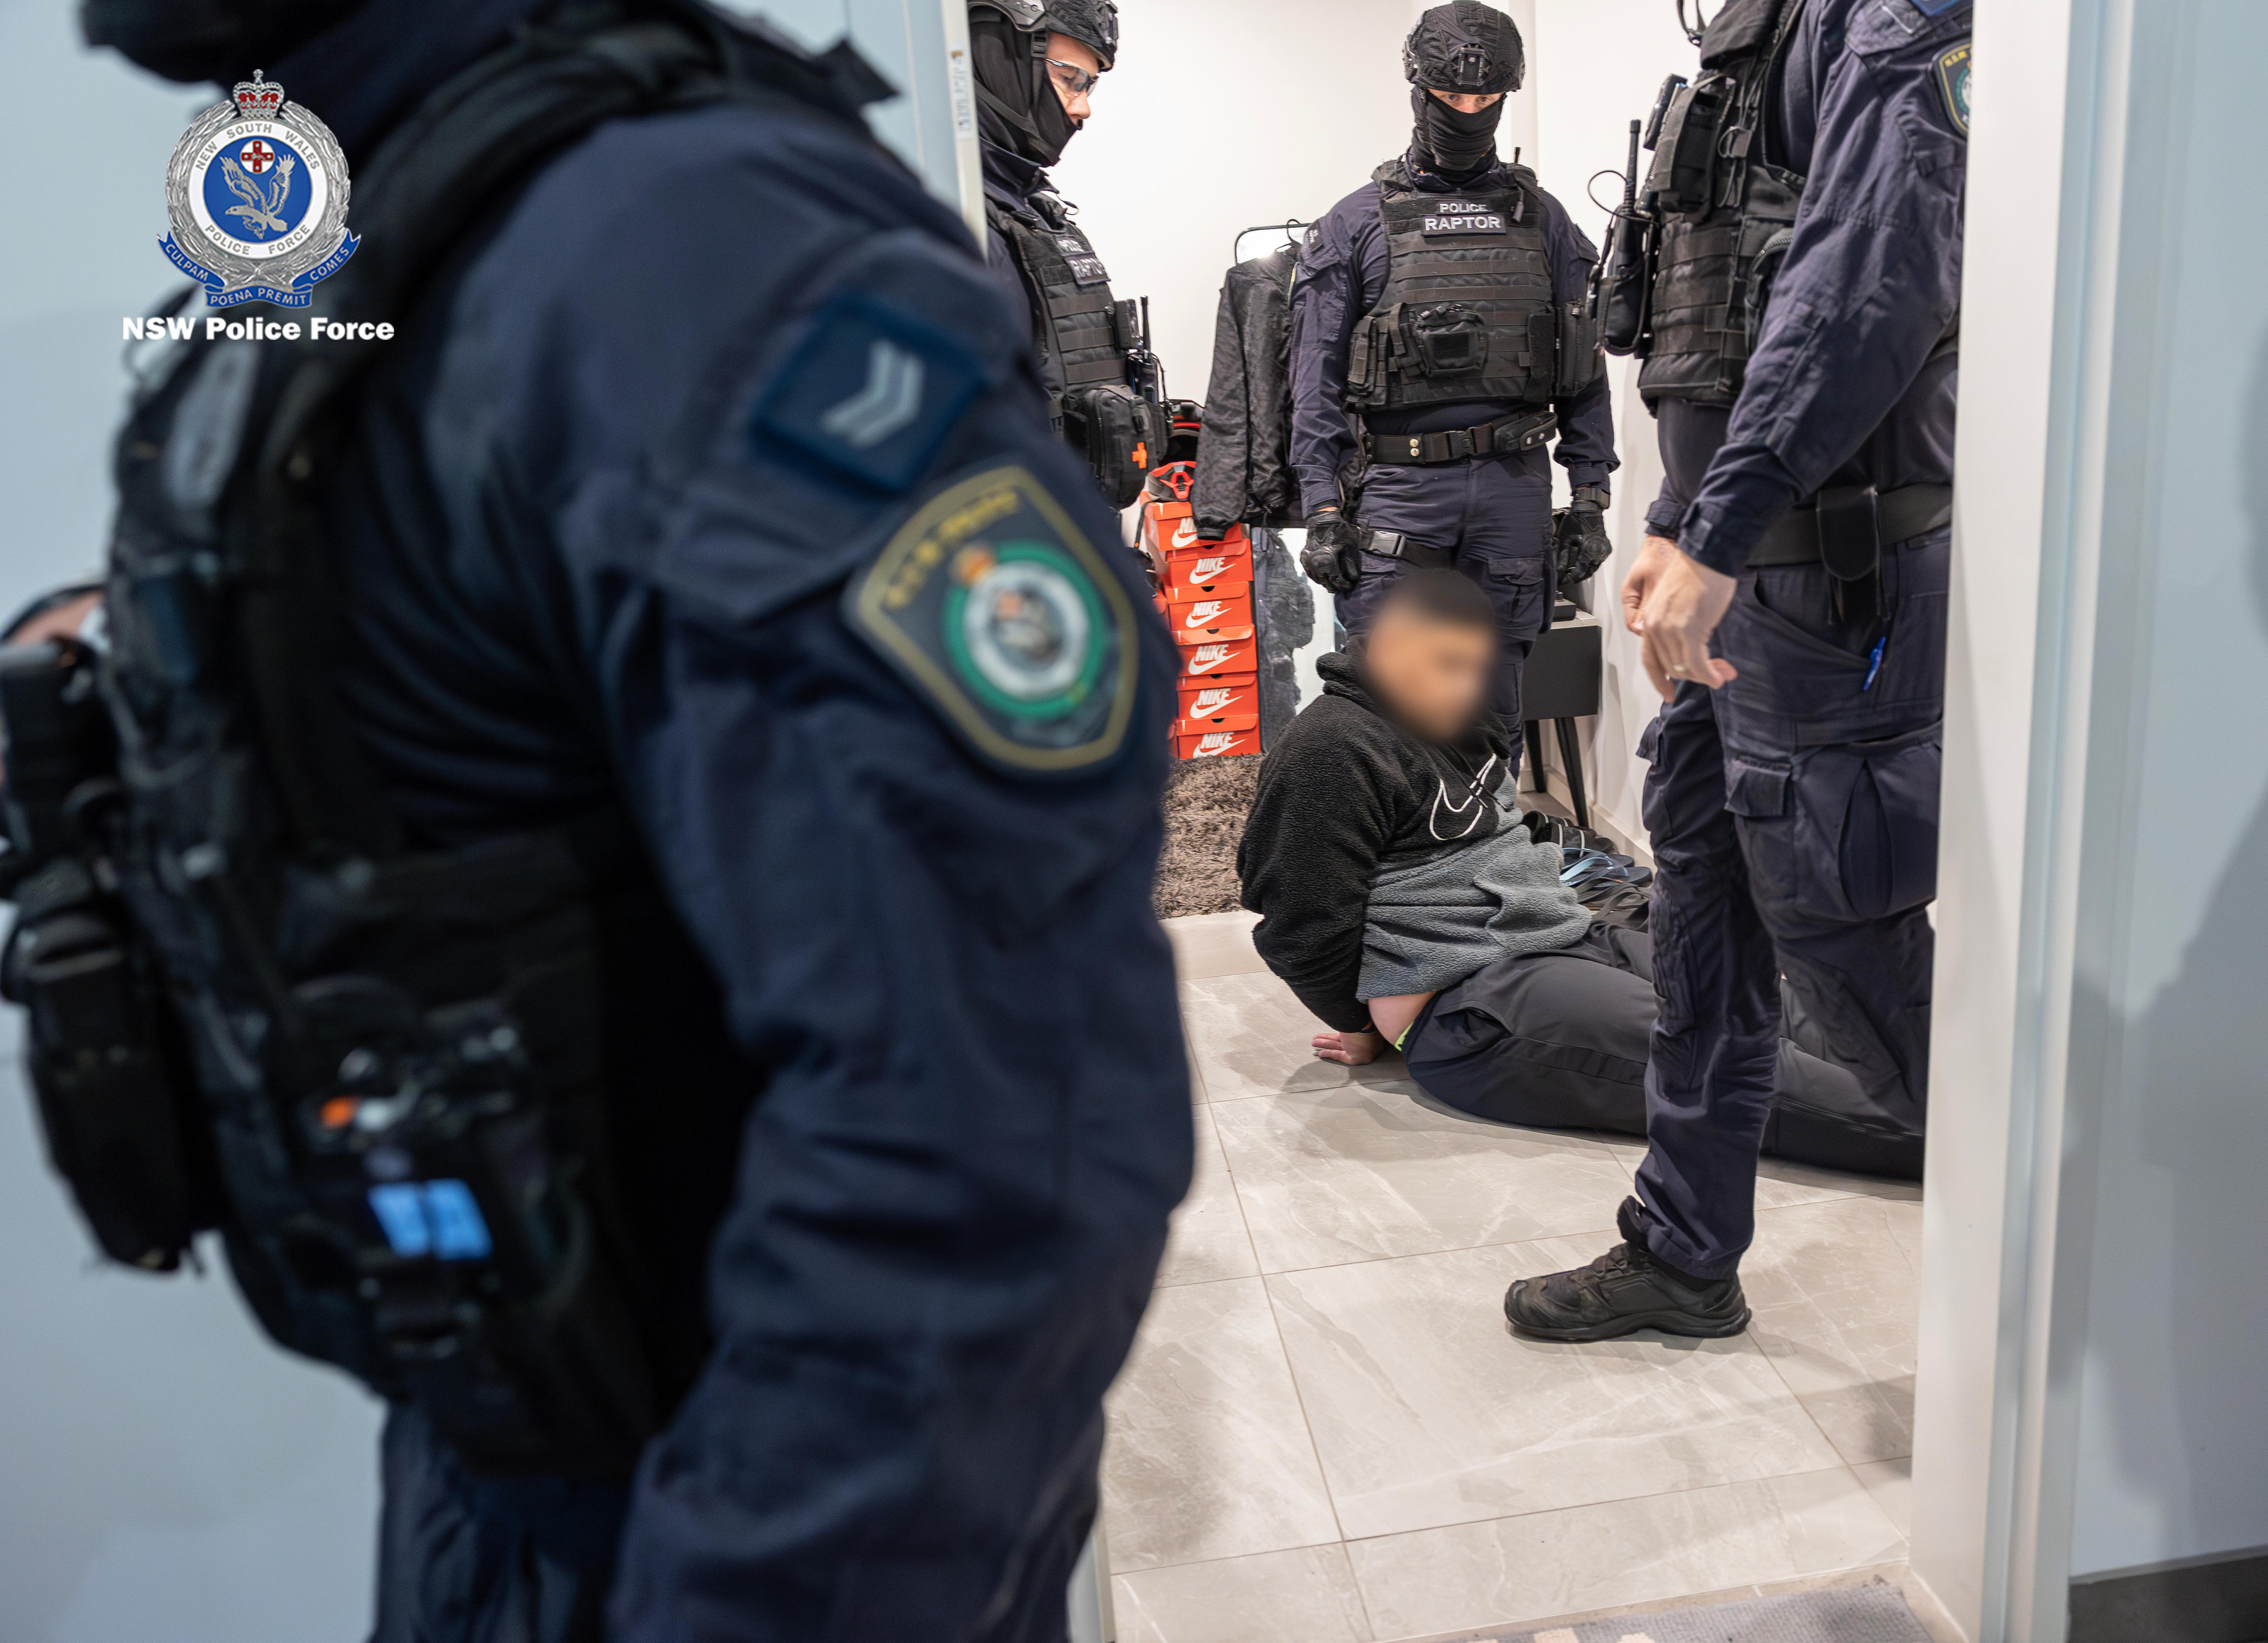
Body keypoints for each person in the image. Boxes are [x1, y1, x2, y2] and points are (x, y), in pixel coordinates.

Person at [20, 0, 1190, 1637]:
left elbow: (996, 1117)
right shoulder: (384, 224)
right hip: (507, 1458)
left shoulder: (686, 251)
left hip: (747, 1527)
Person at [1506, 0, 1971, 1341]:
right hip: (1742, 563)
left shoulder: (1894, 17)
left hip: (1833, 586)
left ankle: (2068, 1237)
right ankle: (1684, 1246)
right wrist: (1673, 520)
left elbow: (1866, 289)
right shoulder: (1754, 34)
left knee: (1841, 921)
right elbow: (1726, 309)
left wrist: (1712, 524)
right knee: (1704, 901)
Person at [1287, 0, 1618, 768]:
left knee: (1496, 704)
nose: (1468, 111)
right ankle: (1406, 878)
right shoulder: (1357, 223)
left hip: (1512, 484)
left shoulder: (1546, 220)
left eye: (1486, 98)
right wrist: (1323, 509)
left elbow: (1584, 369)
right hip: (1398, 486)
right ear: (1417, 89)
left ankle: (1492, 861)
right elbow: (1314, 379)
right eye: (1450, 95)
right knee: (1394, 705)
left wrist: (1592, 496)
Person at [1235, 570, 1667, 1140]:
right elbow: (1300, 925)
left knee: (1748, 986)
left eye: (1474, 666)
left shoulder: (1458, 717)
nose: (1466, 685)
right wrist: (1359, 1024)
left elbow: (1497, 815)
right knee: (1721, 1056)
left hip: (1555, 929)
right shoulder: (1329, 749)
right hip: (1465, 996)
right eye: (1446, 664)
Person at [969, 0, 1166, 507]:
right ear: (1003, 57)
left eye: (1090, 84)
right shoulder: (960, 219)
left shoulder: (1036, 211)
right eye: (1070, 78)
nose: (1082, 108)